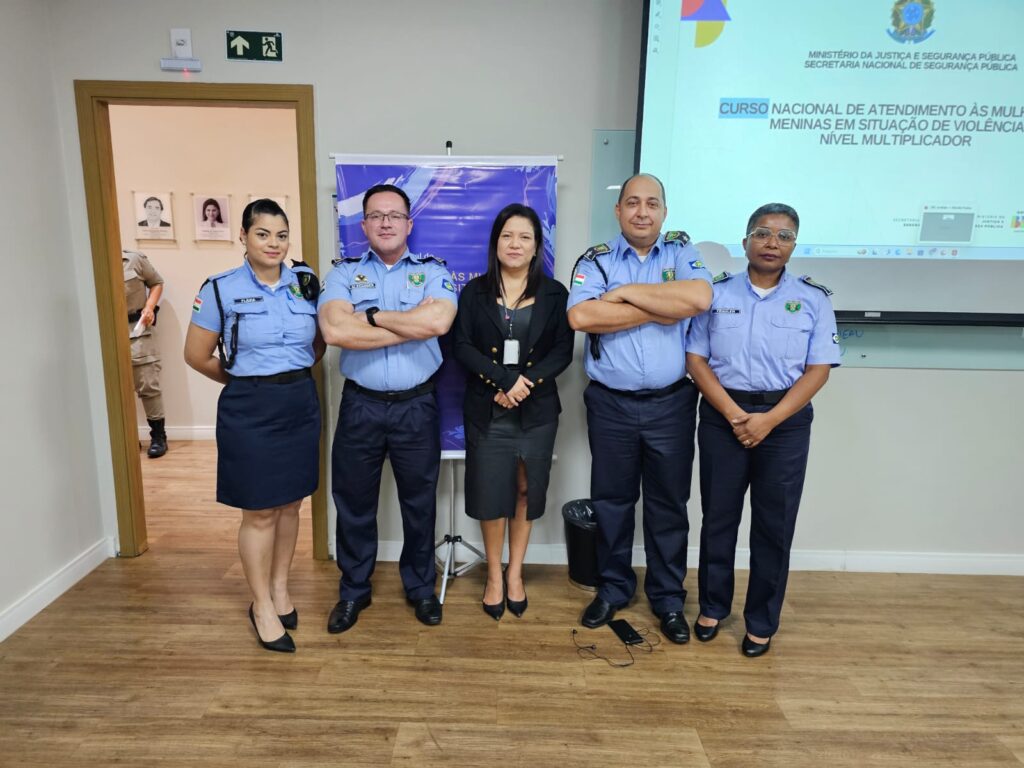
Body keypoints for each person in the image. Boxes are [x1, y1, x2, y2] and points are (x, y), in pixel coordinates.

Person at [686, 203, 840, 657]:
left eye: (784, 235)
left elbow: (819, 369)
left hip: (785, 422)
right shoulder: (714, 293)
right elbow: (695, 359)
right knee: (718, 517)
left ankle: (761, 621)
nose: (773, 242)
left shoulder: (814, 298)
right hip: (722, 413)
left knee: (774, 525)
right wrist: (736, 416)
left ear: (794, 245)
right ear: (745, 241)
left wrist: (769, 419)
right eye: (763, 233)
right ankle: (713, 606)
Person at [567, 173, 712, 644]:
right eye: (632, 202)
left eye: (652, 203)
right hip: (611, 404)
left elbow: (700, 298)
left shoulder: (682, 254)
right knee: (612, 503)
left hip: (671, 403)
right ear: (619, 211)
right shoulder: (597, 260)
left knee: (669, 505)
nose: (642, 211)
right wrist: (664, 308)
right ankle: (613, 588)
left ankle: (668, 599)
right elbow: (582, 316)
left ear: (664, 211)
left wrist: (625, 295)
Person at [184, 198, 324, 653]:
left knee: (291, 505)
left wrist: (289, 372)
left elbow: (319, 344)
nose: (274, 243)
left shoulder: (305, 283)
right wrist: (246, 379)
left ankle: (281, 588)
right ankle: (261, 603)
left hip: (299, 400)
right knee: (260, 510)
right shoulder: (221, 288)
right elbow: (196, 355)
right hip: (249, 407)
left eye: (282, 235)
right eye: (263, 234)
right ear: (243, 236)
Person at [318, 183, 457, 633]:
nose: (385, 222)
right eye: (376, 215)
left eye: (394, 215)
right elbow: (336, 332)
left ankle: (420, 588)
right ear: (363, 225)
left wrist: (371, 317)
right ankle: (354, 590)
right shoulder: (342, 274)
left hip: (417, 405)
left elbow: (437, 322)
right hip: (360, 405)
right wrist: (408, 323)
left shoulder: (433, 271)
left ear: (408, 224)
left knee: (419, 503)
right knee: (354, 502)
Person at [452, 203, 574, 620]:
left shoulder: (556, 293)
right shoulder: (474, 292)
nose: (515, 244)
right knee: (491, 494)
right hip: (488, 409)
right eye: (507, 236)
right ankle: (493, 577)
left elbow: (562, 352)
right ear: (495, 243)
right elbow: (462, 346)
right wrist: (503, 382)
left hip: (536, 411)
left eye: (524, 236)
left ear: (537, 245)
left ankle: (516, 572)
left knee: (526, 489)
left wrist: (526, 384)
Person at [123, 249, 167, 458]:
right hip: (105, 334)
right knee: (112, 390)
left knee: (148, 384)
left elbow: (156, 282)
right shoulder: (91, 262)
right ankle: (124, 436)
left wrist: (149, 307)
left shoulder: (134, 260)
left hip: (137, 331)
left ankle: (158, 436)